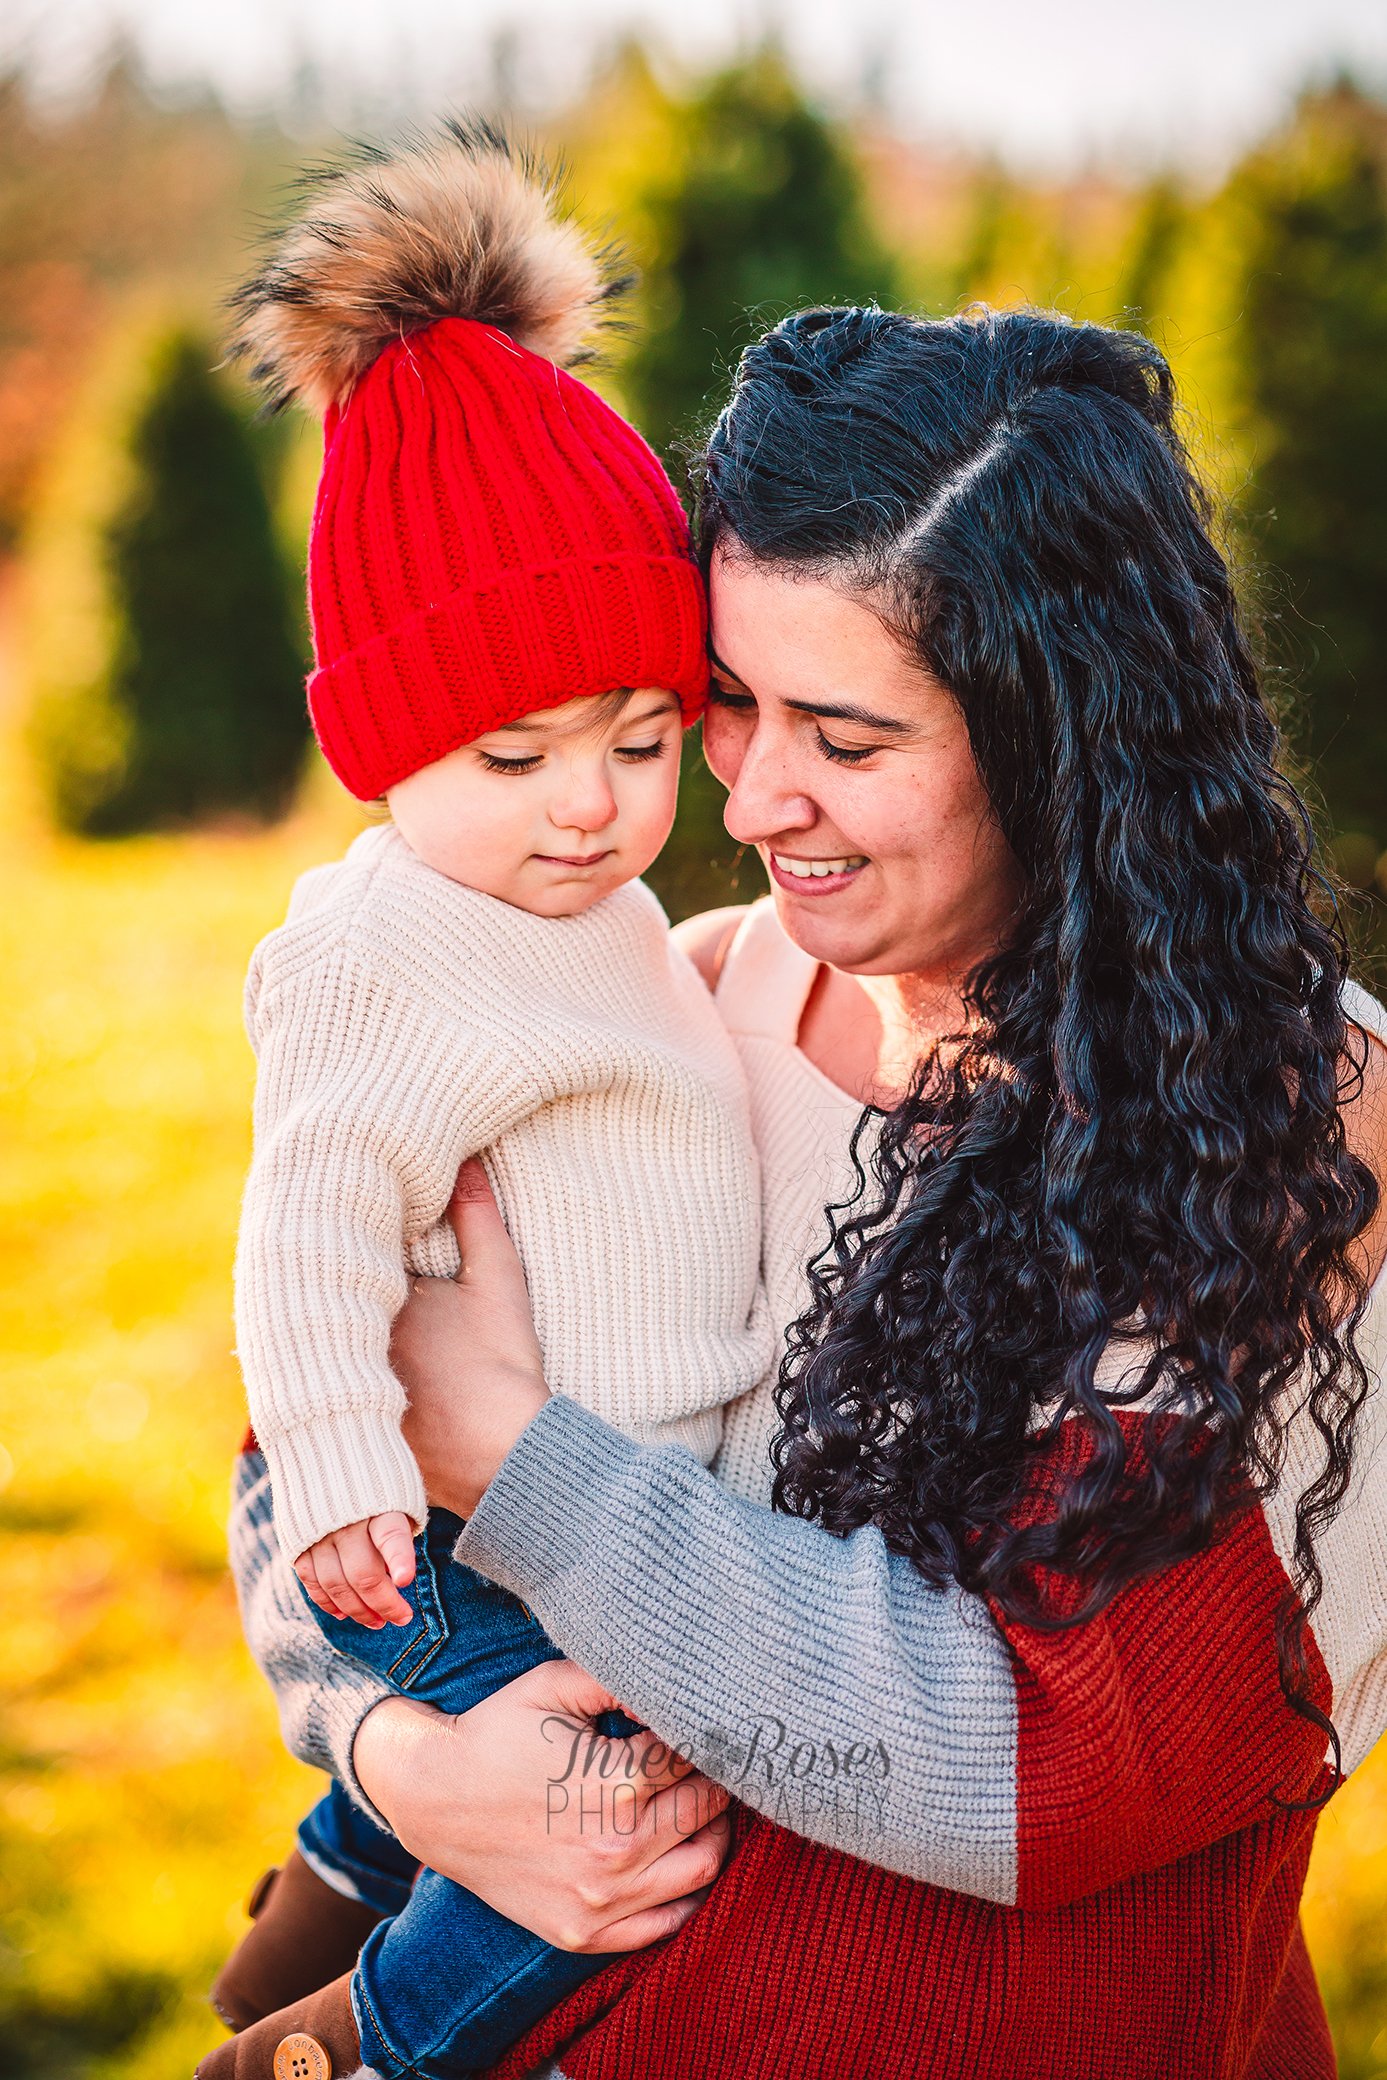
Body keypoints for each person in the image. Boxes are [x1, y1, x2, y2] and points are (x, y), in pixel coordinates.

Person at [221, 302, 1387, 2079]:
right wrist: (407, 1767)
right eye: (727, 702)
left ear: (1063, 735)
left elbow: (1027, 1766)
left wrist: (518, 1460)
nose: (756, 795)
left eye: (845, 735)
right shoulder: (690, 996)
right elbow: (293, 1460)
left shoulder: (1296, 1139)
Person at [201, 125, 771, 2080]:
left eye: (637, 735)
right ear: (378, 745)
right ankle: (360, 2041)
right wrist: (350, 1461)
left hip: (589, 1501)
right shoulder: (399, 943)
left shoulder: (599, 911)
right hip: (460, 1538)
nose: (593, 803)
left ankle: (312, 1897)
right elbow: (311, 1212)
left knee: (510, 1765)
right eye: (516, 751)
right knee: (593, 1836)